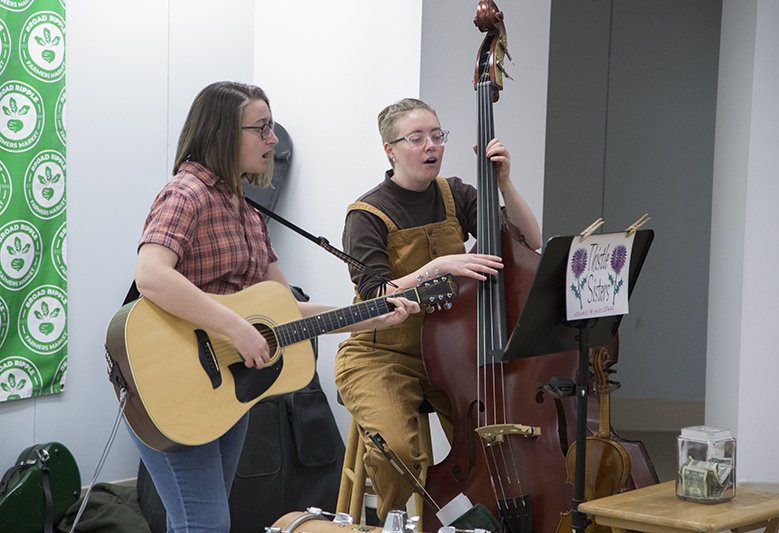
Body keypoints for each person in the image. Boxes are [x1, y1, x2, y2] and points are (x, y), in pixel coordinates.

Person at [131, 81, 419, 533]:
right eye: (262, 128)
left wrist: (365, 317)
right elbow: (150, 274)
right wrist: (236, 327)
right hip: (166, 379)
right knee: (205, 523)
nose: (274, 140)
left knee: (195, 520)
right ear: (225, 133)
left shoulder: (245, 210)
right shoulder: (186, 193)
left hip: (223, 385)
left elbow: (283, 309)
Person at [334, 98, 543, 521]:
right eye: (416, 138)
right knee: (396, 450)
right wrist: (437, 267)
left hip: (449, 356)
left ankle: (480, 523)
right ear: (390, 149)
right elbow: (375, 293)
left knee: (496, 441)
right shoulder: (366, 214)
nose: (431, 146)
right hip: (383, 355)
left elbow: (529, 240)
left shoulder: (456, 193)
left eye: (437, 135)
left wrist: (504, 183)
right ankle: (391, 525)